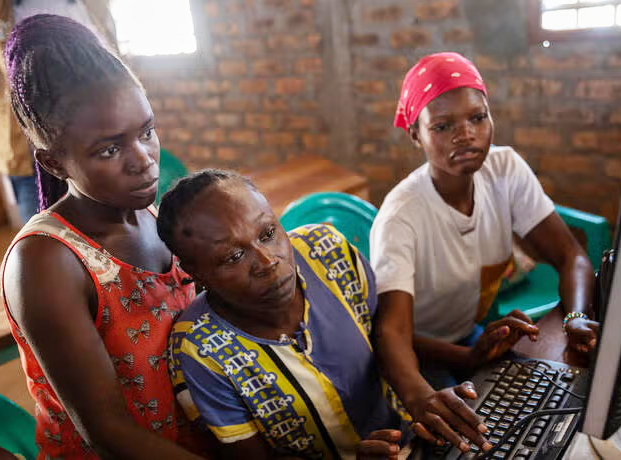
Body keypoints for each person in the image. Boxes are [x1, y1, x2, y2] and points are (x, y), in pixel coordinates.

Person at [156, 170, 493, 458]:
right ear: (195, 272)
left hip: (419, 436)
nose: (267, 261)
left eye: (268, 233)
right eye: (232, 257)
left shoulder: (325, 251)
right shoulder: (201, 351)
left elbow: (377, 333)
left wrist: (465, 357)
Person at [1, 15, 208, 459]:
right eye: (109, 149)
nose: (144, 160)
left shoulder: (154, 218)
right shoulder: (47, 261)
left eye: (146, 132)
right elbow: (108, 433)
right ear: (54, 162)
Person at [370, 52, 597, 442]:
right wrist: (459, 364)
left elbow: (569, 255)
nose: (466, 134)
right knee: (463, 433)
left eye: (477, 117)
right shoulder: (401, 216)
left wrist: (575, 317)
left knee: (547, 400)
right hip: (417, 357)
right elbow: (390, 333)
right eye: (442, 126)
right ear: (415, 135)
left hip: (469, 335)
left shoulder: (504, 169)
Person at [0, 0, 117, 225]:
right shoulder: (5, 11)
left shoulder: (93, 6)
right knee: (43, 230)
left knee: (105, 232)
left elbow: (114, 66)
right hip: (27, 149)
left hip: (96, 141)